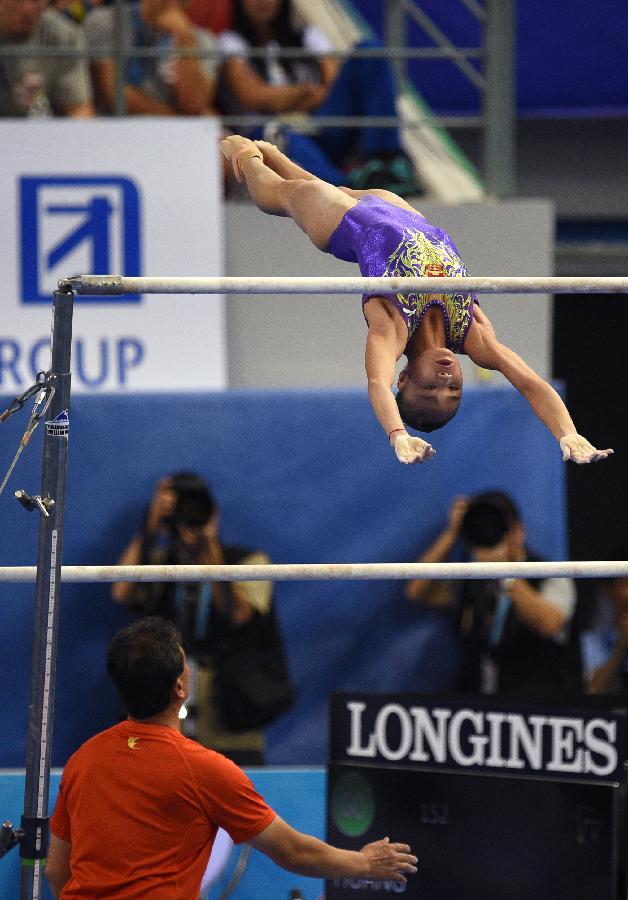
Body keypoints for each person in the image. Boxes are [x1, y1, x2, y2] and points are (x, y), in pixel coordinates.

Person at [219, 134, 614, 467]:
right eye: (454, 391)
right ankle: (273, 153)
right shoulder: (473, 334)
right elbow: (530, 383)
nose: (444, 382)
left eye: (428, 390)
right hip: (402, 214)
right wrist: (568, 432)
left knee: (281, 194)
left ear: (404, 379)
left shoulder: (391, 324)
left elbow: (376, 381)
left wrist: (397, 435)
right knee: (334, 189)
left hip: (343, 225)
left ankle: (243, 155)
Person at [45, 617, 418, 898]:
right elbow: (292, 851)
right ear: (181, 686)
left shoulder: (82, 760)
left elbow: (56, 871)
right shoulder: (205, 770)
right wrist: (365, 862)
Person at [113, 471, 292, 765]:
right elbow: (122, 592)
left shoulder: (249, 562)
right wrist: (150, 524)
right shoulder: (160, 564)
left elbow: (239, 615)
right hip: (166, 710)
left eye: (199, 507)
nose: (192, 516)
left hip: (232, 716)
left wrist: (210, 545)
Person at [217, 0, 418, 194]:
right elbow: (254, 97)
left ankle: (385, 162)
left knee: (370, 50)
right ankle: (354, 188)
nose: (262, 2)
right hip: (273, 134)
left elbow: (333, 86)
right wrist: (301, 92)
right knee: (278, 136)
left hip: (320, 127)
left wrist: (289, 99)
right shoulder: (230, 41)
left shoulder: (308, 35)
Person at [406, 492, 582, 697]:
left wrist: (505, 574)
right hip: (479, 708)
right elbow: (418, 591)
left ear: (518, 532)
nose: (490, 532)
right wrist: (453, 533)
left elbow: (549, 624)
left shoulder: (551, 574)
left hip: (539, 707)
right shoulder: (471, 578)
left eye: (497, 526)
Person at [84, 0, 218, 115]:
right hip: (114, 129)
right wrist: (172, 117)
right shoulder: (107, 21)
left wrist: (185, 40)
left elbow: (195, 104)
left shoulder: (201, 39)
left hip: (174, 134)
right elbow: (114, 94)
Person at [0, 0, 94, 117]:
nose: (27, 9)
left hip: (43, 128)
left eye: (36, 1)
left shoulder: (65, 35)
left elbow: (79, 109)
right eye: (18, 1)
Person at [581, 545, 628, 695]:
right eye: (626, 583)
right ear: (608, 589)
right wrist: (622, 646)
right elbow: (593, 691)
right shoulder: (592, 642)